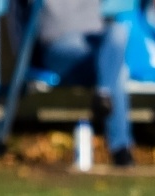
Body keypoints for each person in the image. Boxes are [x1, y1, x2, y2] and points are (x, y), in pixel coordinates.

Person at [28, 0, 134, 166]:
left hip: (93, 39)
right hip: (59, 42)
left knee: (118, 32)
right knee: (116, 71)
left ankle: (103, 93)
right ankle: (121, 150)